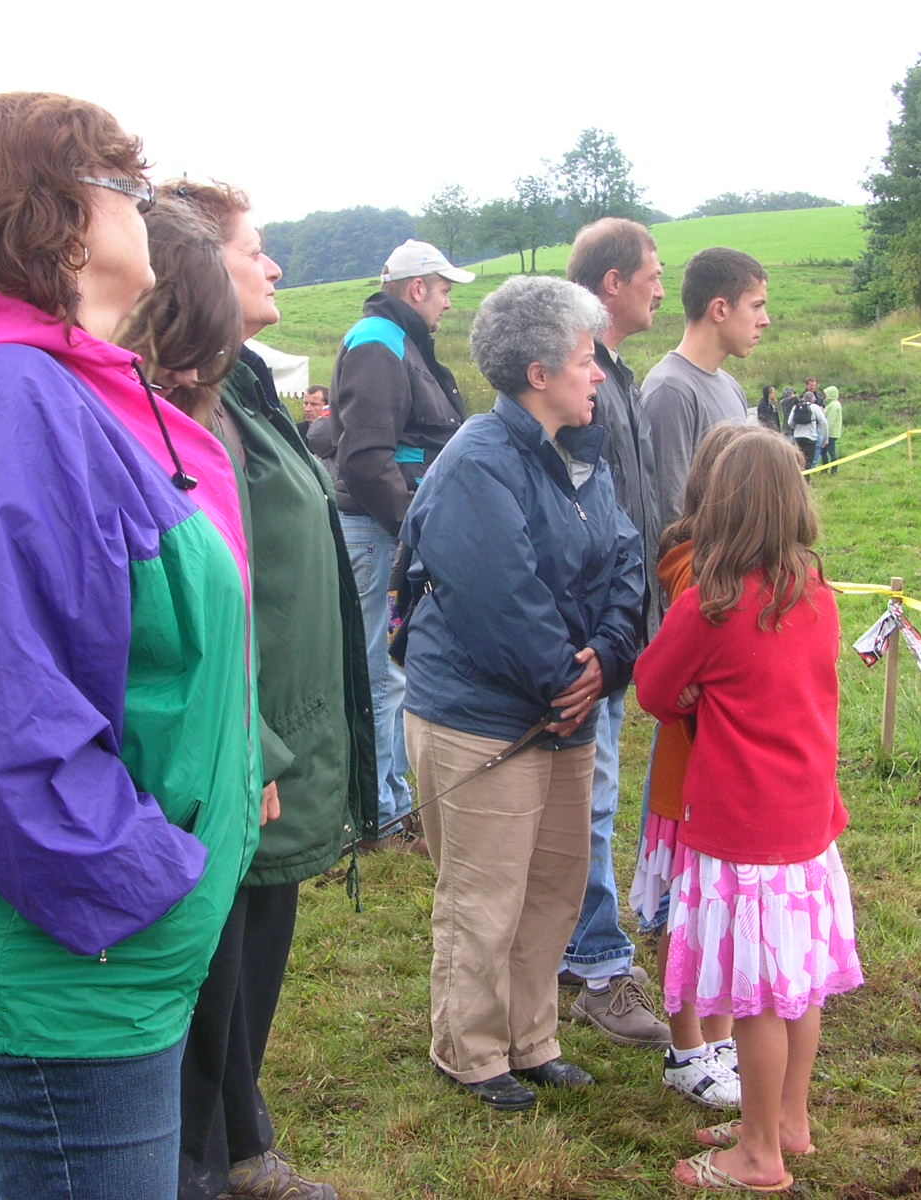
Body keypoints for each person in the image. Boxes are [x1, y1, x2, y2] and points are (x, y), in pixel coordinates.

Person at [0, 92, 259, 1200]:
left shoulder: (59, 389)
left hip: (78, 949)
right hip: (67, 958)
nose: (148, 209)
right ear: (67, 221)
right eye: (127, 187)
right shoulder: (9, 400)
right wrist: (151, 890)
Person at [126, 180, 375, 1200]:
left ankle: (238, 1147)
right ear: (191, 268)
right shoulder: (180, 410)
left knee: (247, 976)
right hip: (245, 754)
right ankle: (200, 1168)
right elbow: (203, 599)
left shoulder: (243, 391)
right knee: (209, 987)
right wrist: (255, 747)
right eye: (255, 250)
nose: (274, 267)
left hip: (283, 745)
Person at [401, 275, 643, 1111]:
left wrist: (609, 659)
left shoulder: (582, 454)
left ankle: (531, 1037)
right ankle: (469, 1051)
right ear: (539, 372)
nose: (599, 374)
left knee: (554, 882)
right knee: (485, 891)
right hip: (483, 718)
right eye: (586, 359)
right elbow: (500, 594)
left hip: (563, 708)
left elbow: (625, 561)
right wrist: (567, 681)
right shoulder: (477, 462)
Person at [634, 428, 863, 1193]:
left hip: (742, 839)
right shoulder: (819, 598)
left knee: (755, 996)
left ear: (721, 510)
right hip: (807, 830)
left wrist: (699, 691)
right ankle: (789, 1119)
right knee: (797, 986)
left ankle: (759, 1156)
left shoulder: (709, 606)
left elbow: (656, 692)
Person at [560, 216, 670, 1047]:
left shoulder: (615, 373)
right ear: (611, 285)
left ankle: (575, 944)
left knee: (596, 793)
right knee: (590, 799)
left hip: (621, 622)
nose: (660, 286)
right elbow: (578, 517)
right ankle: (596, 960)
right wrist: (603, 627)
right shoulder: (576, 377)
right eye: (651, 273)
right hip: (591, 628)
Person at [329, 239, 472, 853]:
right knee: (376, 674)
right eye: (443, 291)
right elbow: (364, 458)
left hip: (387, 529)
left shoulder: (395, 341)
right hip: (378, 530)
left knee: (388, 672)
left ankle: (388, 803)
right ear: (418, 288)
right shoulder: (379, 343)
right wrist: (417, 529)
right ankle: (377, 815)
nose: (446, 304)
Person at [629, 424, 750, 1112]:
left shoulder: (734, 570)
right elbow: (664, 682)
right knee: (690, 917)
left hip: (725, 787)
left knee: (726, 916)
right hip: (689, 788)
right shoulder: (696, 573)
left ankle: (721, 1036)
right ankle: (686, 1046)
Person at [640, 247, 769, 583]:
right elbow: (672, 515)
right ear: (720, 309)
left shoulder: (731, 386)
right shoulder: (670, 390)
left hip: (735, 581)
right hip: (701, 589)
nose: (765, 320)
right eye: (756, 306)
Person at [786, 389, 828, 470]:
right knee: (809, 460)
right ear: (813, 399)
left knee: (799, 459)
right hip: (811, 437)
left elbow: (789, 422)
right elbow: (823, 422)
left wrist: (796, 429)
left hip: (798, 437)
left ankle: (800, 477)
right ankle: (807, 480)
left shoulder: (796, 407)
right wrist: (825, 438)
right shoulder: (814, 407)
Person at [819, 386, 844, 473]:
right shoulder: (831, 404)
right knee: (824, 451)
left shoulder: (833, 405)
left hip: (830, 433)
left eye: (826, 395)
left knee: (831, 452)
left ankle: (834, 470)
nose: (825, 397)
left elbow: (829, 421)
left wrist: (825, 433)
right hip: (829, 433)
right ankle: (824, 469)